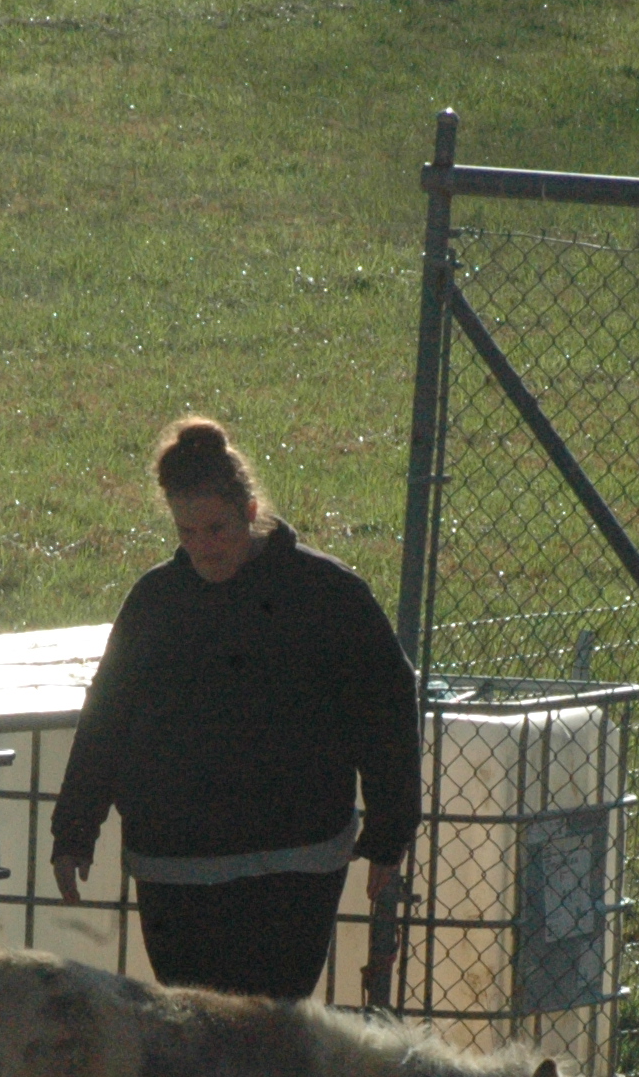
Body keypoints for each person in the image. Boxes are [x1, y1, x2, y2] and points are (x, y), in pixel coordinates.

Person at [49, 418, 421, 1000]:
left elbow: (387, 706)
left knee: (268, 1039)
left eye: (217, 528)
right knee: (199, 1044)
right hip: (177, 869)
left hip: (294, 865)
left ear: (251, 511)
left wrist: (390, 830)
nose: (202, 547)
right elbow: (108, 718)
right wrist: (75, 829)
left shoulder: (328, 595)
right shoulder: (155, 602)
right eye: (186, 531)